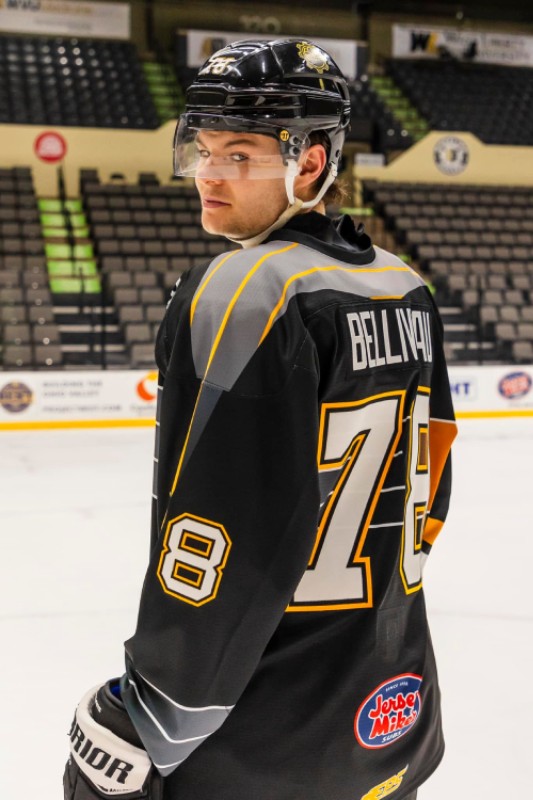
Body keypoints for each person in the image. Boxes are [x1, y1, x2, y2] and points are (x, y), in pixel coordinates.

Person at [64, 39, 457, 800]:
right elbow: (427, 498)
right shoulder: (405, 287)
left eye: (239, 156)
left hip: (259, 739)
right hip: (392, 704)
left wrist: (151, 711)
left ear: (310, 163)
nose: (207, 174)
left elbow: (218, 539)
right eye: (203, 150)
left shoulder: (242, 290)